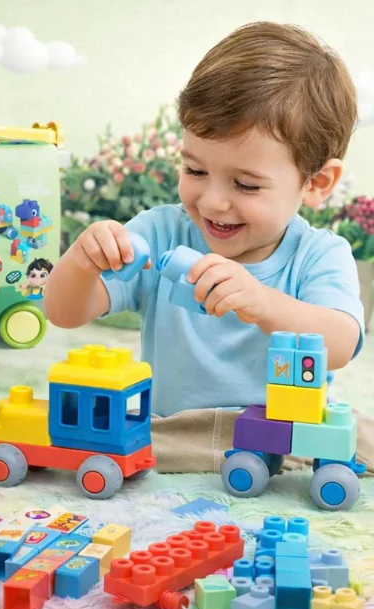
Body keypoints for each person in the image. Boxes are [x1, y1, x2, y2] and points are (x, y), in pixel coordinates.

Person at [45, 22, 372, 474]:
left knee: (358, 436)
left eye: (245, 184)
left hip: (282, 435)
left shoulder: (318, 254)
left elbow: (339, 344)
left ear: (316, 183)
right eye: (195, 171)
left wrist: (263, 302)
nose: (213, 201)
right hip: (175, 431)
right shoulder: (160, 233)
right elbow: (64, 313)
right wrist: (82, 262)